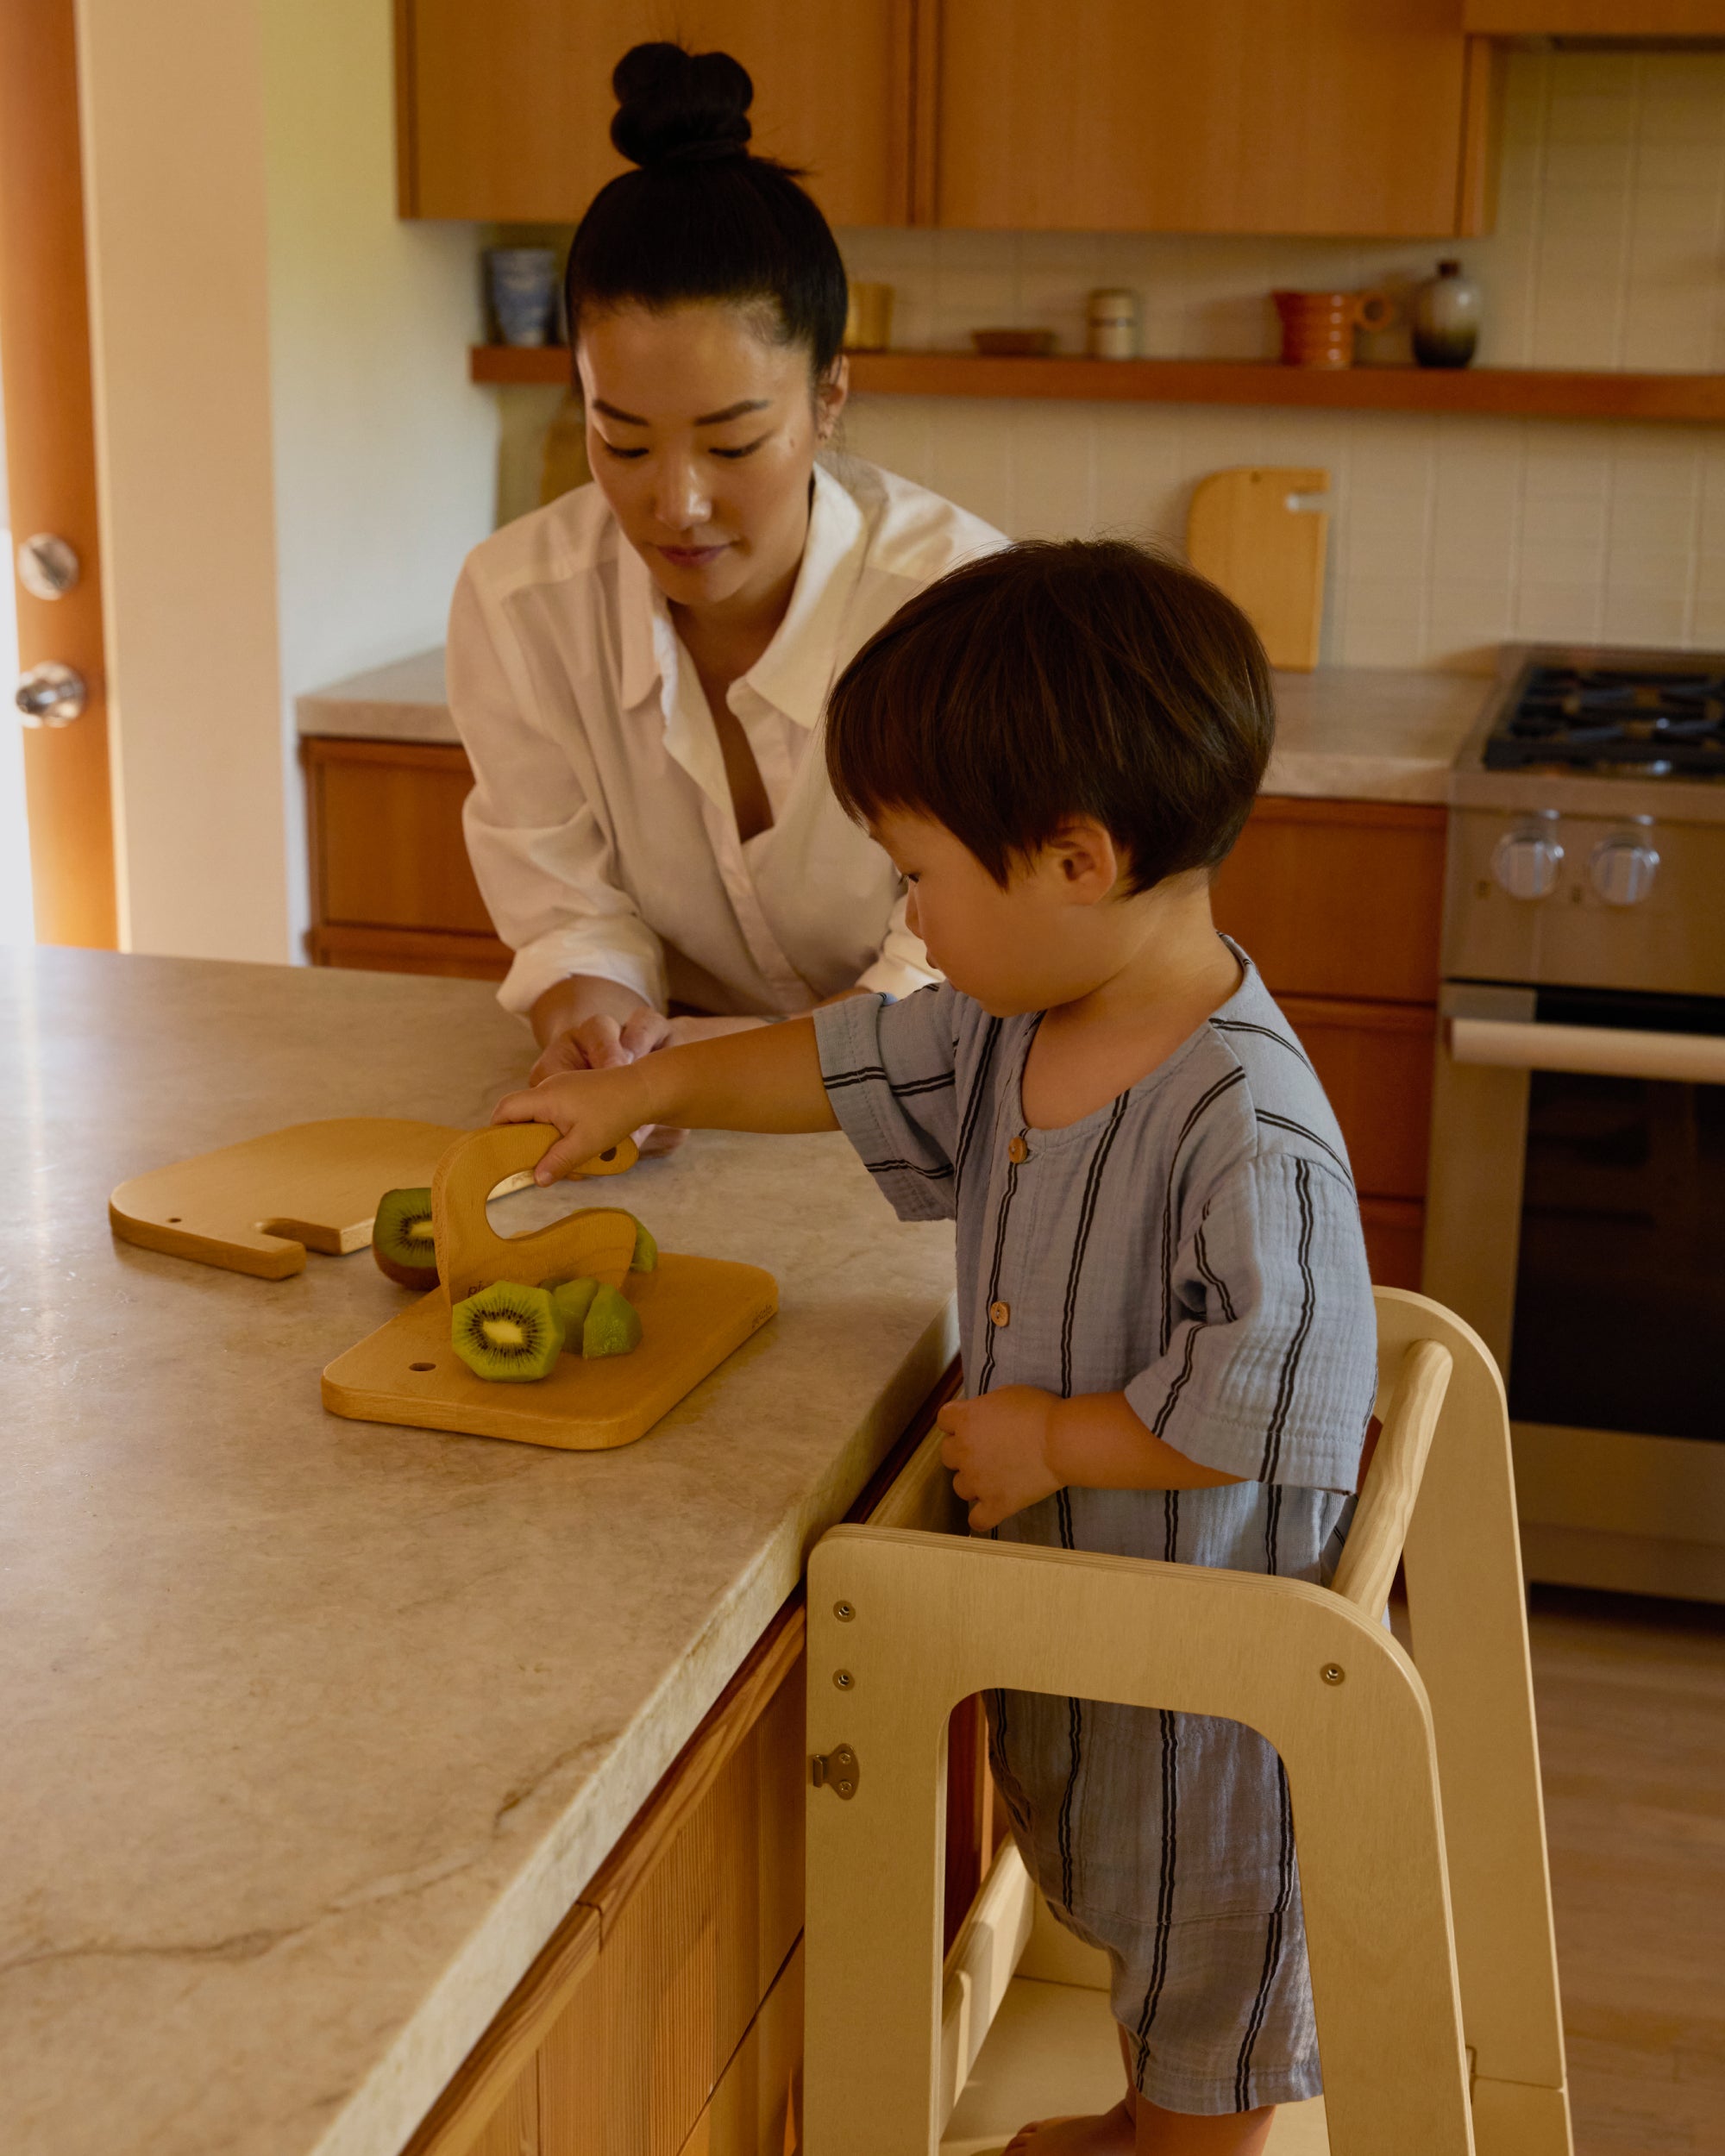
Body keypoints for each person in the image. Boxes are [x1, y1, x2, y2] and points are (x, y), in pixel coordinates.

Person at [491, 538, 1377, 2155]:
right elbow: (838, 1062)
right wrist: (647, 1086)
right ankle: (1138, 2122)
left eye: (921, 873)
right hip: (1097, 1635)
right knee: (1137, 1923)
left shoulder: (1247, 1123)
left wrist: (1060, 1441)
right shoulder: (1018, 1020)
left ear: (1075, 860)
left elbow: (1276, 1394)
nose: (907, 914)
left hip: (1207, 1683)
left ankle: (1177, 2145)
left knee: (1205, 1971)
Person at [447, 41, 1003, 1125]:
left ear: (828, 396)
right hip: (675, 1127)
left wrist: (679, 1080)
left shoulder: (955, 602)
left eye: (732, 443)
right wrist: (599, 1027)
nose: (677, 504)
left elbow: (945, 979)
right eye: (623, 440)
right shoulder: (519, 604)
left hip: (941, 1130)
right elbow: (568, 912)